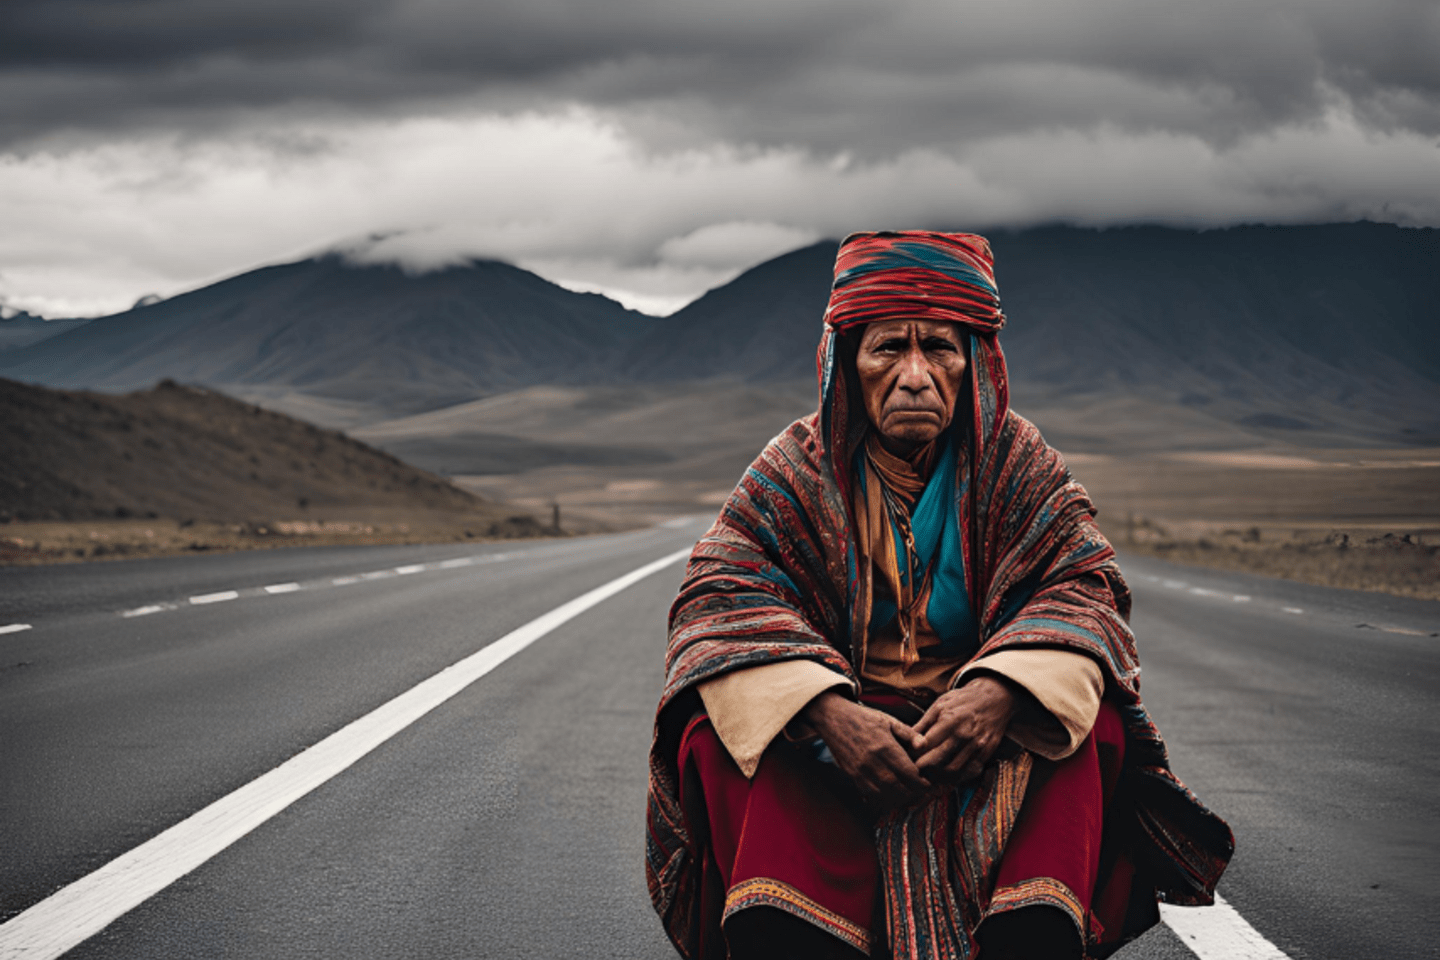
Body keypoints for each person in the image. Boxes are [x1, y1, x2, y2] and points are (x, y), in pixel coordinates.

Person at [645, 231, 1233, 960]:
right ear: (848, 365)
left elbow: (1086, 589)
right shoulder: (793, 473)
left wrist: (999, 693)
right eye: (889, 348)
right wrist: (829, 713)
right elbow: (717, 596)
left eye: (940, 350)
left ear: (975, 363)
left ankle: (1029, 933)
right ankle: (795, 932)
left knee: (1098, 717)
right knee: (712, 726)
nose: (915, 375)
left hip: (985, 748)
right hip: (839, 753)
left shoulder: (1019, 466)